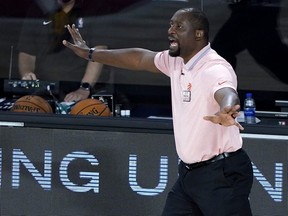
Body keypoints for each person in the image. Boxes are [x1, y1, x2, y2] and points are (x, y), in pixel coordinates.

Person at [63, 7, 254, 215]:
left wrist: (228, 108)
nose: (171, 30)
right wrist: (91, 54)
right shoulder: (176, 61)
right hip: (190, 174)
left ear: (198, 34)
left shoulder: (213, 67)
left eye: (179, 26)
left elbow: (226, 91)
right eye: (171, 24)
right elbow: (139, 58)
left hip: (221, 174)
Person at [17, 0, 107, 102]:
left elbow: (98, 52)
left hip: (80, 94)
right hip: (41, 92)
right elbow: (26, 51)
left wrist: (84, 88)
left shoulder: (94, 8)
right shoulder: (39, 8)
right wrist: (27, 73)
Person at [211, 0, 288, 84]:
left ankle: (224, 92)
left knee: (267, 53)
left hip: (254, 9)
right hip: (251, 8)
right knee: (221, 51)